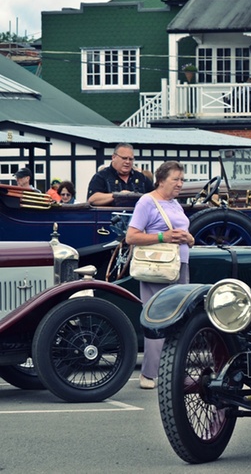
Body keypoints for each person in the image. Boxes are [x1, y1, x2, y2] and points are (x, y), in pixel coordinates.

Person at [126, 161, 194, 389]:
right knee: (159, 320)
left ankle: (173, 374)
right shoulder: (147, 201)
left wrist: (190, 239)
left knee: (180, 322)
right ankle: (149, 374)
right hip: (157, 269)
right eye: (176, 179)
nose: (180, 184)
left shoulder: (175, 204)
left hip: (178, 265)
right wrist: (163, 238)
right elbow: (131, 237)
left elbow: (185, 234)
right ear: (161, 180)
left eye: (182, 180)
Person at [87, 143, 154, 205]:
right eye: (124, 158)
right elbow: (92, 199)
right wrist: (119, 195)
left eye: (130, 159)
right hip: (109, 217)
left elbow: (155, 197)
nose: (127, 162)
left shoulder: (142, 178)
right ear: (113, 157)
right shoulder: (101, 177)